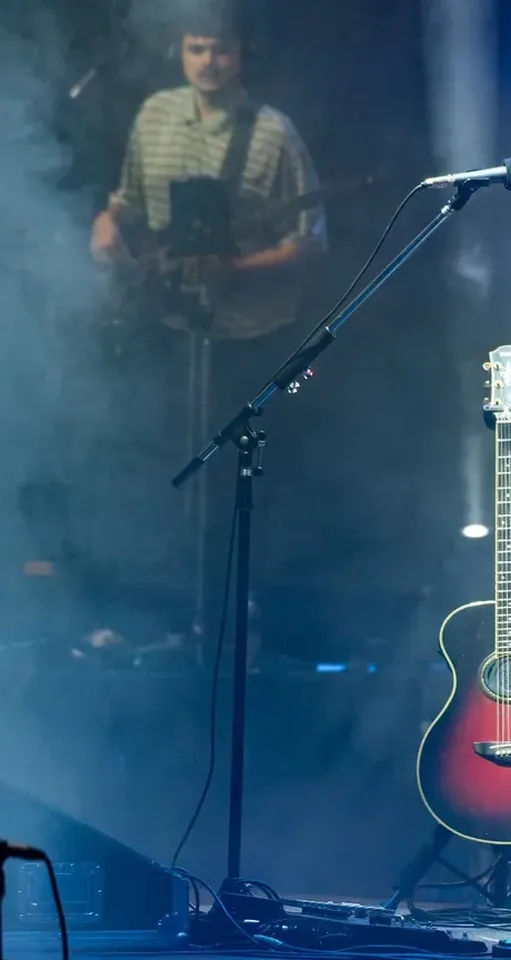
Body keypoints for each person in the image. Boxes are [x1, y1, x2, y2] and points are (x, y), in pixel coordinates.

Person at [85, 1, 327, 641]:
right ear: (181, 52)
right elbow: (126, 201)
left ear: (240, 55)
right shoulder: (154, 116)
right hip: (169, 324)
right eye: (197, 48)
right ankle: (162, 615)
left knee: (239, 479)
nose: (209, 62)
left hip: (250, 332)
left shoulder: (272, 133)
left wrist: (237, 267)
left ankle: (240, 618)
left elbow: (309, 242)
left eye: (220, 49)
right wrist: (107, 225)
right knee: (159, 466)